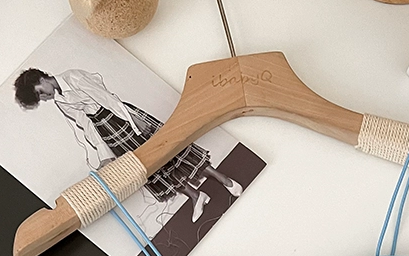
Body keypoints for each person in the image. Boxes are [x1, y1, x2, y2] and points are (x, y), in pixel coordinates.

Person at [13, 67, 243, 222]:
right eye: (40, 98)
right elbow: (86, 124)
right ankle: (195, 196)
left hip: (120, 116)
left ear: (41, 79)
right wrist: (104, 155)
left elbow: (108, 99)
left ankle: (225, 180)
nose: (44, 98)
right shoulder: (60, 101)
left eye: (40, 93)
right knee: (150, 168)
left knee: (170, 150)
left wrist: (133, 120)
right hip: (108, 131)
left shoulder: (74, 78)